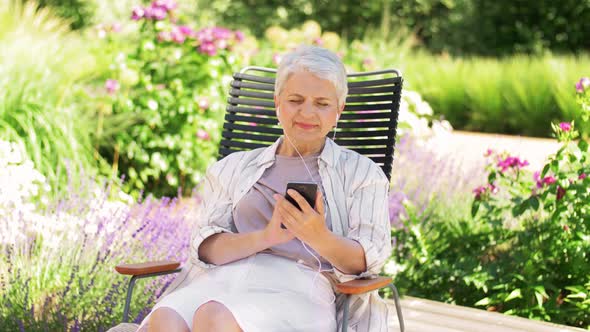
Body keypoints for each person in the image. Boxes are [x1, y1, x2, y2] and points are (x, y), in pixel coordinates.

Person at [138, 45, 393, 332]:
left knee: (214, 319)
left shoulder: (361, 173)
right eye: (295, 100)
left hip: (299, 289)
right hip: (221, 279)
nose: (307, 112)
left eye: (322, 103)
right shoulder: (233, 167)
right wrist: (265, 237)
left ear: (339, 110)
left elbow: (368, 259)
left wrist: (318, 236)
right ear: (277, 103)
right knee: (165, 320)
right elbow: (206, 247)